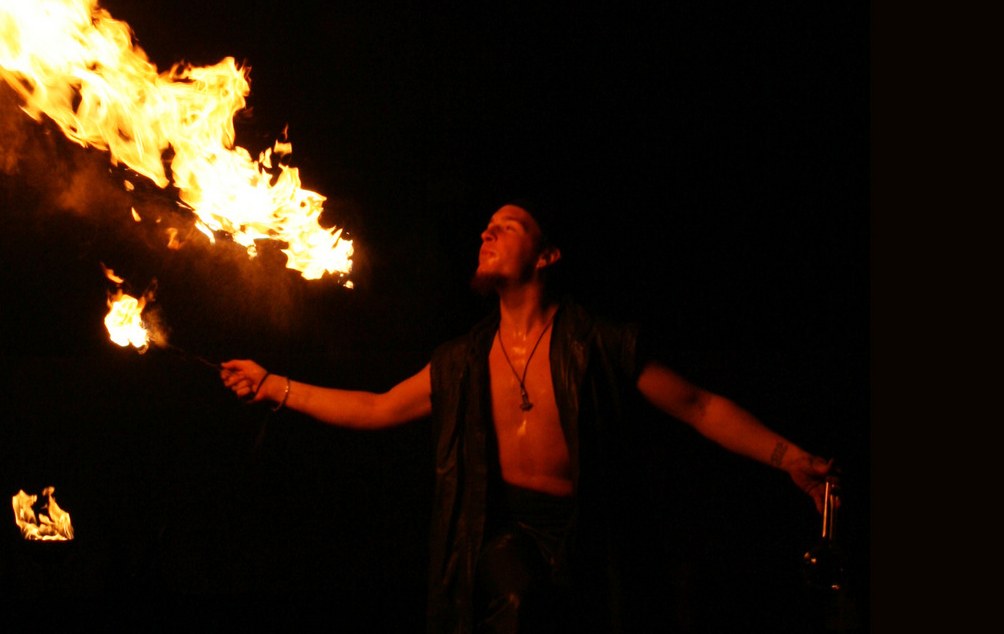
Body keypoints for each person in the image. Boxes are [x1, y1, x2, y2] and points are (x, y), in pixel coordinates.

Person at [221, 203, 837, 633]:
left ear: (547, 256)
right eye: (485, 228)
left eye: (506, 227)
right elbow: (377, 407)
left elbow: (699, 406)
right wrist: (274, 385)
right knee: (519, 602)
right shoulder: (463, 360)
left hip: (590, 534)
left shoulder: (600, 343)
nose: (486, 235)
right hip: (504, 530)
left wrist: (789, 459)